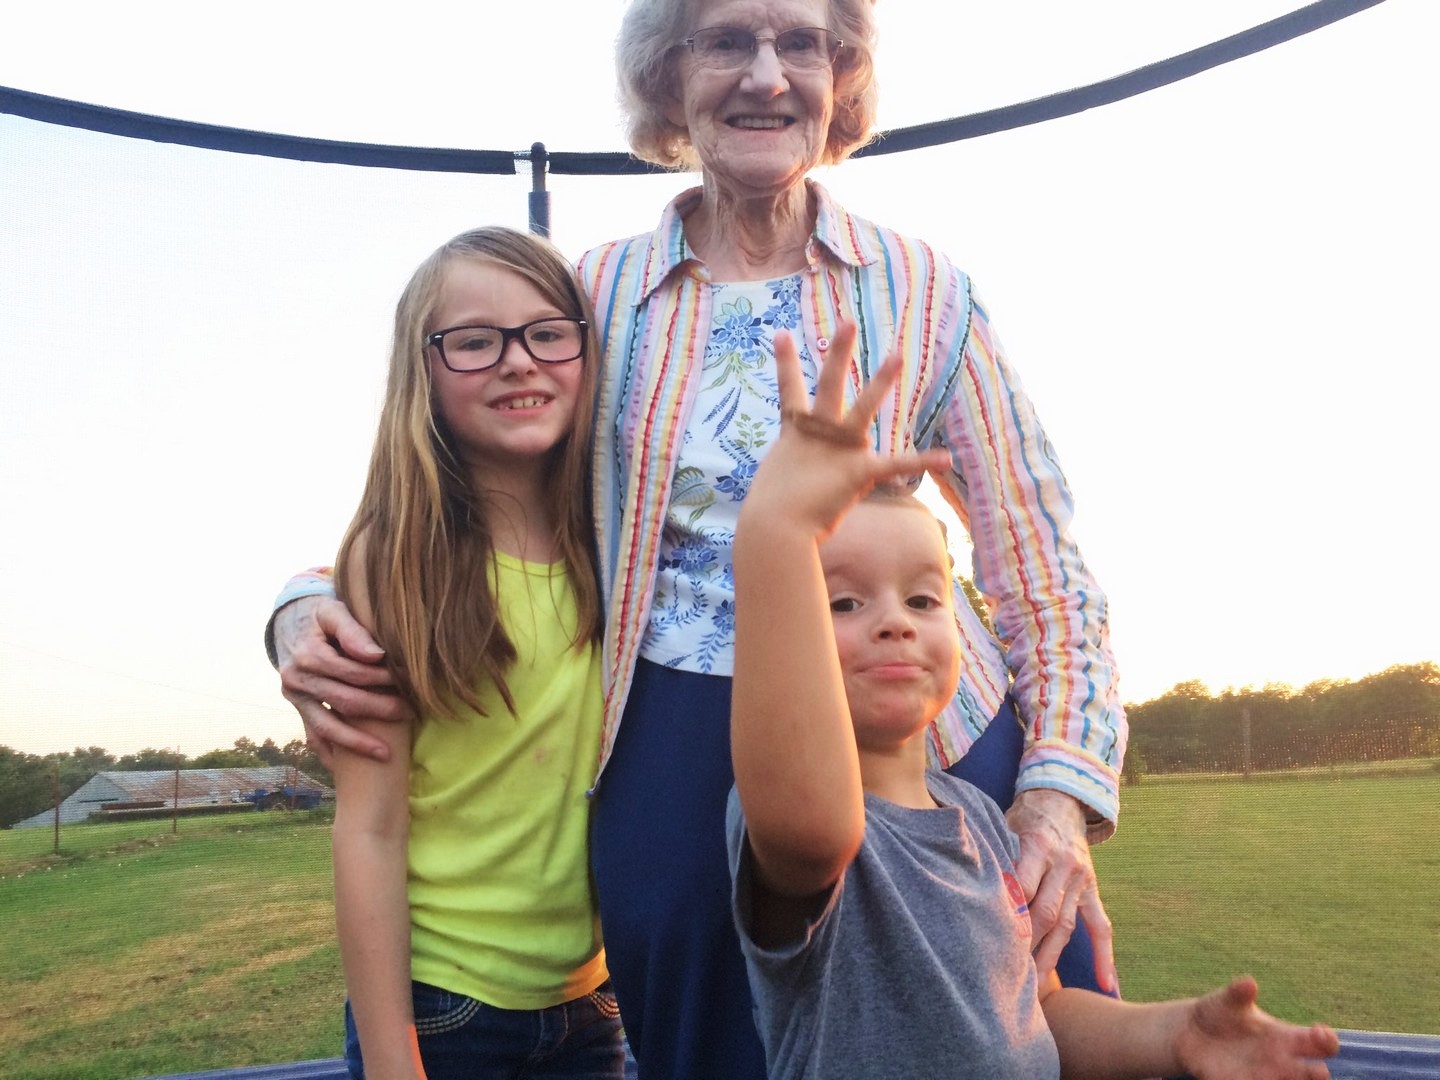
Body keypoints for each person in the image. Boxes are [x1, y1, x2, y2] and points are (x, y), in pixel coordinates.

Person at [271, 1, 1128, 1075]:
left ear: (841, 76)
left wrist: (1057, 792)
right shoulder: (593, 297)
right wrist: (305, 603)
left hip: (918, 740)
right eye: (726, 41)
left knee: (1023, 1033)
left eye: (801, 43)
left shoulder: (924, 289)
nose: (766, 75)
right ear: (668, 79)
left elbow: (1041, 559)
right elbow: (461, 487)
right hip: (670, 752)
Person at [727, 326, 1340, 1079]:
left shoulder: (984, 820)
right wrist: (777, 532)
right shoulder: (794, 824)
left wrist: (1176, 1034)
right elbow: (811, 829)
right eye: (844, 602)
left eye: (924, 599)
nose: (895, 621)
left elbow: (1040, 1016)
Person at [327, 226, 625, 1079]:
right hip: (444, 1009)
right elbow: (369, 829)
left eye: (548, 332)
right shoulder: (396, 559)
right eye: (473, 342)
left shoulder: (619, 544)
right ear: (421, 369)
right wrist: (394, 1062)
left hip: (592, 1004)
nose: (518, 361)